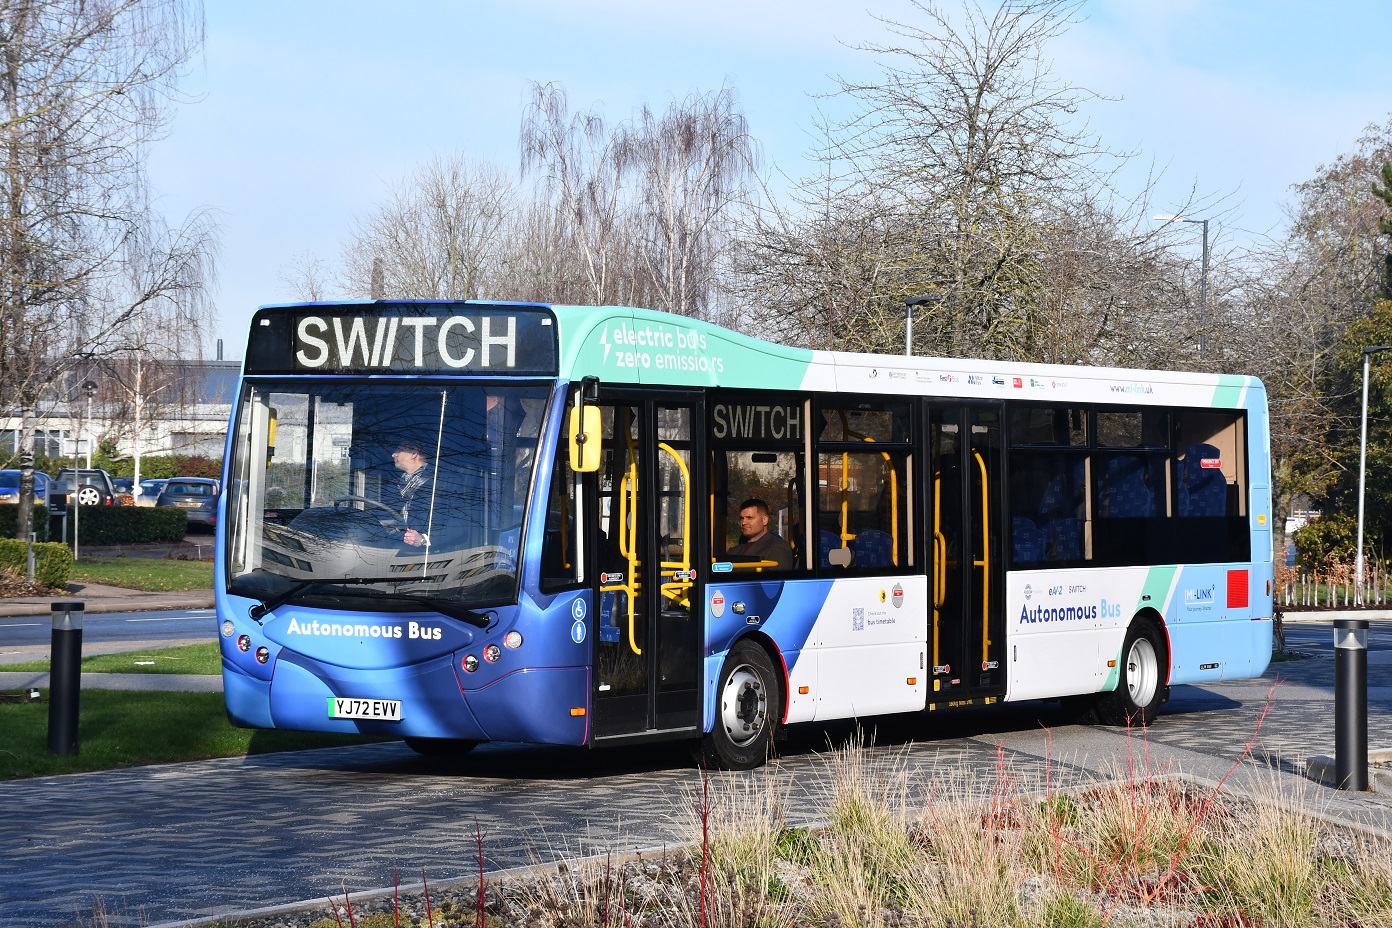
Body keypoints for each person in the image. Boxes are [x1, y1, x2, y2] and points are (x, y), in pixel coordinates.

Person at [729, 498, 795, 570]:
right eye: (741, 518)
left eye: (749, 518)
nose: (744, 522)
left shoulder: (778, 548)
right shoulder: (734, 551)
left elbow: (777, 579)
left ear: (765, 520)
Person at [391, 440, 433, 547]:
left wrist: (423, 540)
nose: (393, 454)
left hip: (426, 556)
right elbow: (387, 517)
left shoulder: (441, 481)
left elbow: (455, 523)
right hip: (392, 547)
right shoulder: (394, 485)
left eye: (399, 451)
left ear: (414, 454)